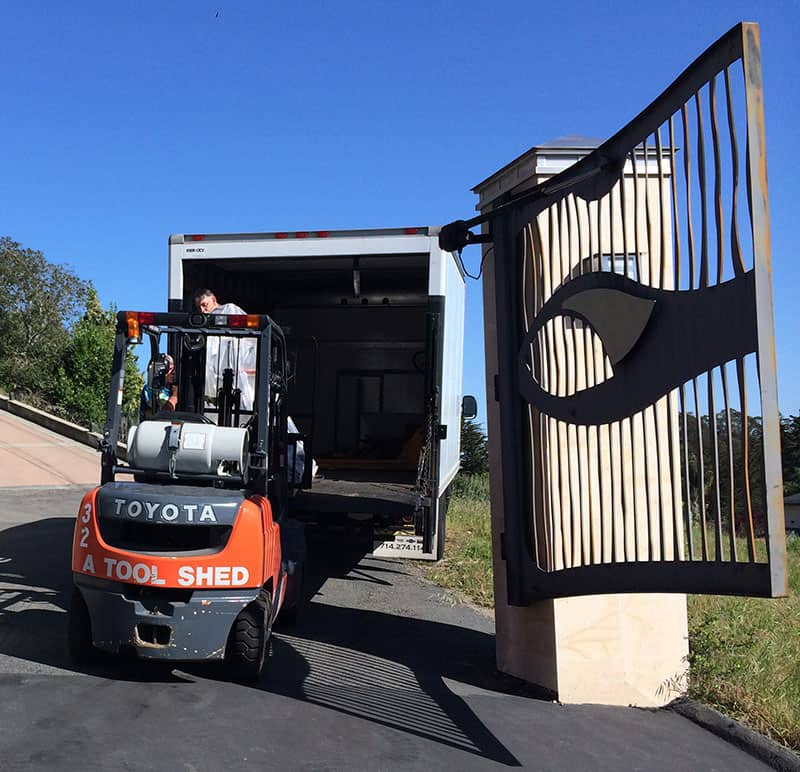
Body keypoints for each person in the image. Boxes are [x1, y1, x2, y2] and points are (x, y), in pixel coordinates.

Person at [193, 288, 256, 412]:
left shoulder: (228, 310)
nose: (202, 310)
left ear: (214, 299)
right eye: (199, 308)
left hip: (237, 372)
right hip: (218, 378)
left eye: (204, 305)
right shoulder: (205, 324)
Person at [139, 353, 178, 420]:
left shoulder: (172, 388)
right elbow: (160, 413)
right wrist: (174, 396)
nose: (173, 372)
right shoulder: (150, 389)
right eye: (170, 368)